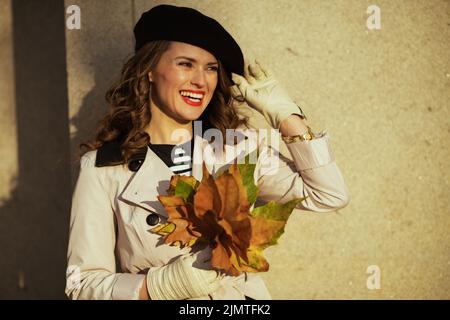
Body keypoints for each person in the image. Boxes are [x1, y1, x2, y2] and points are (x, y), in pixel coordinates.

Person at [65, 4, 349, 300]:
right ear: (148, 70)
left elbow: (328, 195)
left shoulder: (238, 148)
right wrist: (158, 287)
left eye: (211, 68)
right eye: (185, 64)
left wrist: (287, 116)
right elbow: (80, 285)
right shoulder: (104, 168)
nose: (201, 81)